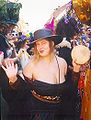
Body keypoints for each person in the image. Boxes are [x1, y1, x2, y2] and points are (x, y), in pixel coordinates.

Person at [1, 28, 81, 120]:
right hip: (40, 115)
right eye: (37, 44)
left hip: (61, 113)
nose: (40, 47)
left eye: (43, 43)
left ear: (52, 43)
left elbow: (70, 88)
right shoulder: (31, 66)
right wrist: (13, 79)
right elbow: (23, 92)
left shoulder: (62, 62)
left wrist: (76, 69)